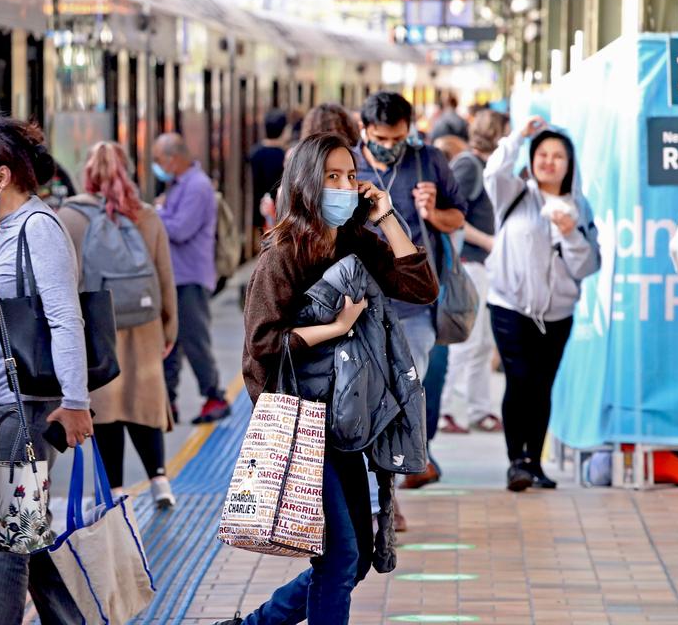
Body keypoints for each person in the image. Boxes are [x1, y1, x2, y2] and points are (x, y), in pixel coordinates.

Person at [217, 133, 438, 625]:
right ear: (307, 185)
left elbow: (422, 288)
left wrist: (385, 217)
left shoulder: (357, 242)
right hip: (303, 424)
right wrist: (333, 329)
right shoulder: (283, 254)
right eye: (331, 177)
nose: (343, 185)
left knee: (355, 557)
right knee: (339, 557)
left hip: (347, 425)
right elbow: (262, 348)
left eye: (350, 176)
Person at [0, 116, 91, 625]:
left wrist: (75, 402)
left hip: (26, 407)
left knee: (1, 543)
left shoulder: (39, 227)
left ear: (3, 176)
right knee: (21, 534)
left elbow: (64, 318)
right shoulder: (10, 228)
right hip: (8, 404)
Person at [58, 141, 180, 507]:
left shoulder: (70, 218)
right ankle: (160, 481)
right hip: (144, 327)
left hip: (97, 330)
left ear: (87, 176)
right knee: (144, 403)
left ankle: (114, 491)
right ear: (126, 170)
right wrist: (169, 329)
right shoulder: (145, 215)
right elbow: (164, 278)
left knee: (107, 408)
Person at [354, 92, 466, 489]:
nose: (388, 148)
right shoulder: (346, 167)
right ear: (363, 131)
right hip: (359, 305)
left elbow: (458, 218)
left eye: (396, 139)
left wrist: (433, 213)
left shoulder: (428, 161)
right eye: (380, 139)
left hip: (415, 304)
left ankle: (403, 468)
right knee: (367, 395)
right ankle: (385, 489)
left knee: (413, 388)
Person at [485, 116, 600, 492]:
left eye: (558, 156)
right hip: (509, 306)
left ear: (570, 165)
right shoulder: (515, 193)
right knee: (519, 379)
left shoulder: (579, 207)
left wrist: (570, 235)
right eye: (543, 154)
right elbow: (495, 170)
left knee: (542, 386)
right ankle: (516, 461)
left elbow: (587, 266)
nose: (549, 162)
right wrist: (519, 136)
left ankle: (534, 460)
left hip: (558, 314)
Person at [153, 132, 228, 424]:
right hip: (177, 275)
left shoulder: (196, 186)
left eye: (159, 160)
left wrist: (156, 212)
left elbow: (180, 229)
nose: (157, 166)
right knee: (171, 341)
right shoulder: (179, 184)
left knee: (194, 339)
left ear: (173, 159)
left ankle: (215, 395)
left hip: (190, 276)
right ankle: (167, 400)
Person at [439, 113, 506, 435]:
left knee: (480, 342)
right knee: (465, 341)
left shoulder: (483, 167)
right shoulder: (469, 167)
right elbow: (454, 215)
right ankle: (444, 410)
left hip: (481, 263)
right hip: (469, 263)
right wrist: (489, 240)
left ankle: (479, 409)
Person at [248, 109, 291, 236]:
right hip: (277, 213)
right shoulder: (284, 156)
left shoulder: (254, 153)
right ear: (283, 131)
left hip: (257, 210)